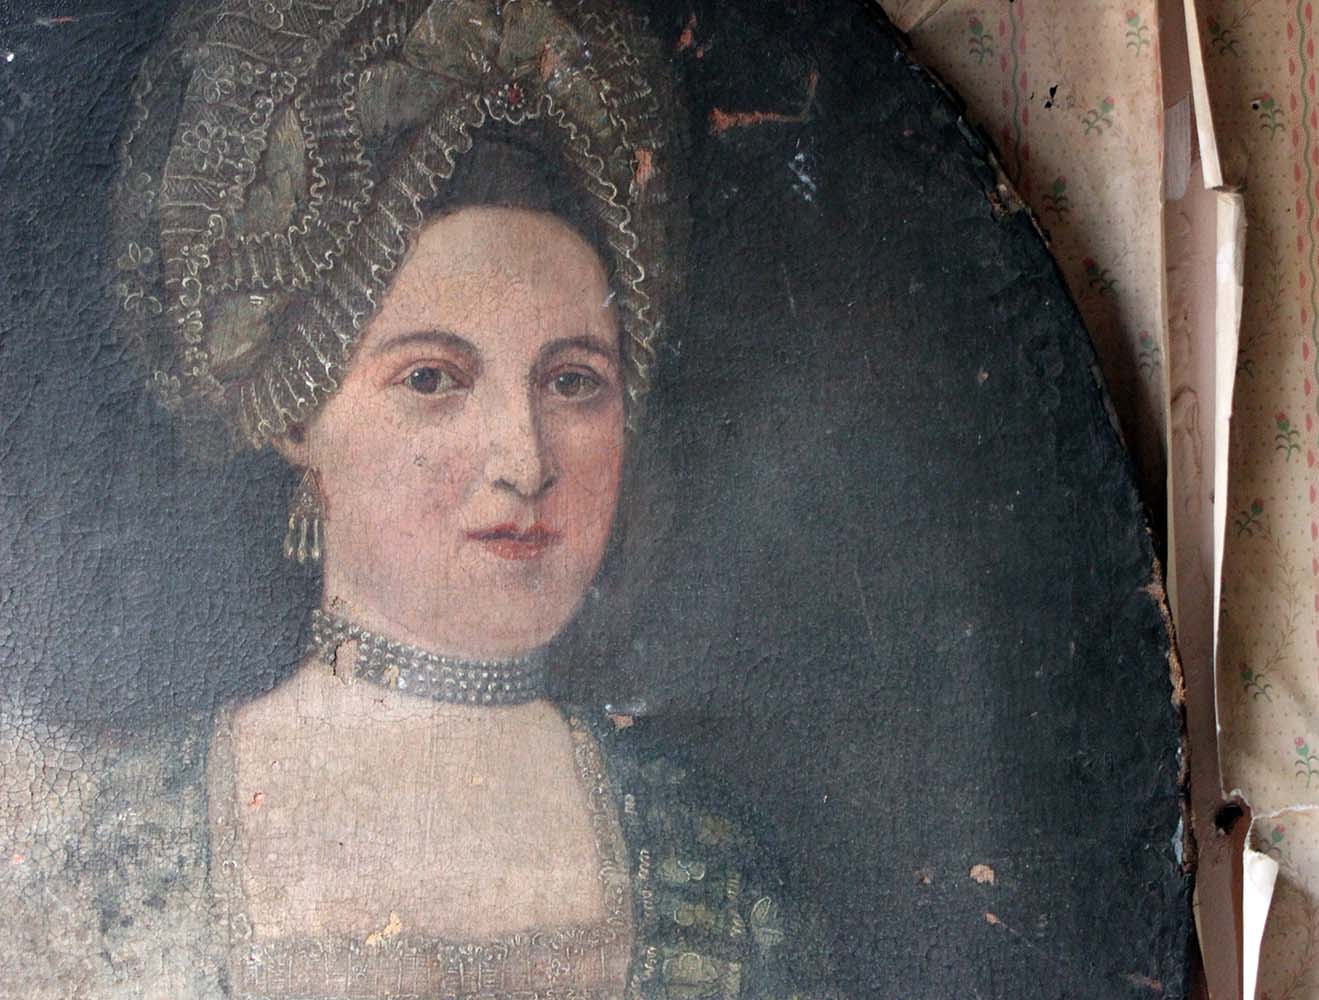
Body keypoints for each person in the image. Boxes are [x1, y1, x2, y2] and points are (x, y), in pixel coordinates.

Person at [0, 0, 838, 995]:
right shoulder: (114, 853)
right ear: (295, 415)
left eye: (573, 382)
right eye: (433, 379)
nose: (524, 461)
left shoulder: (717, 866)